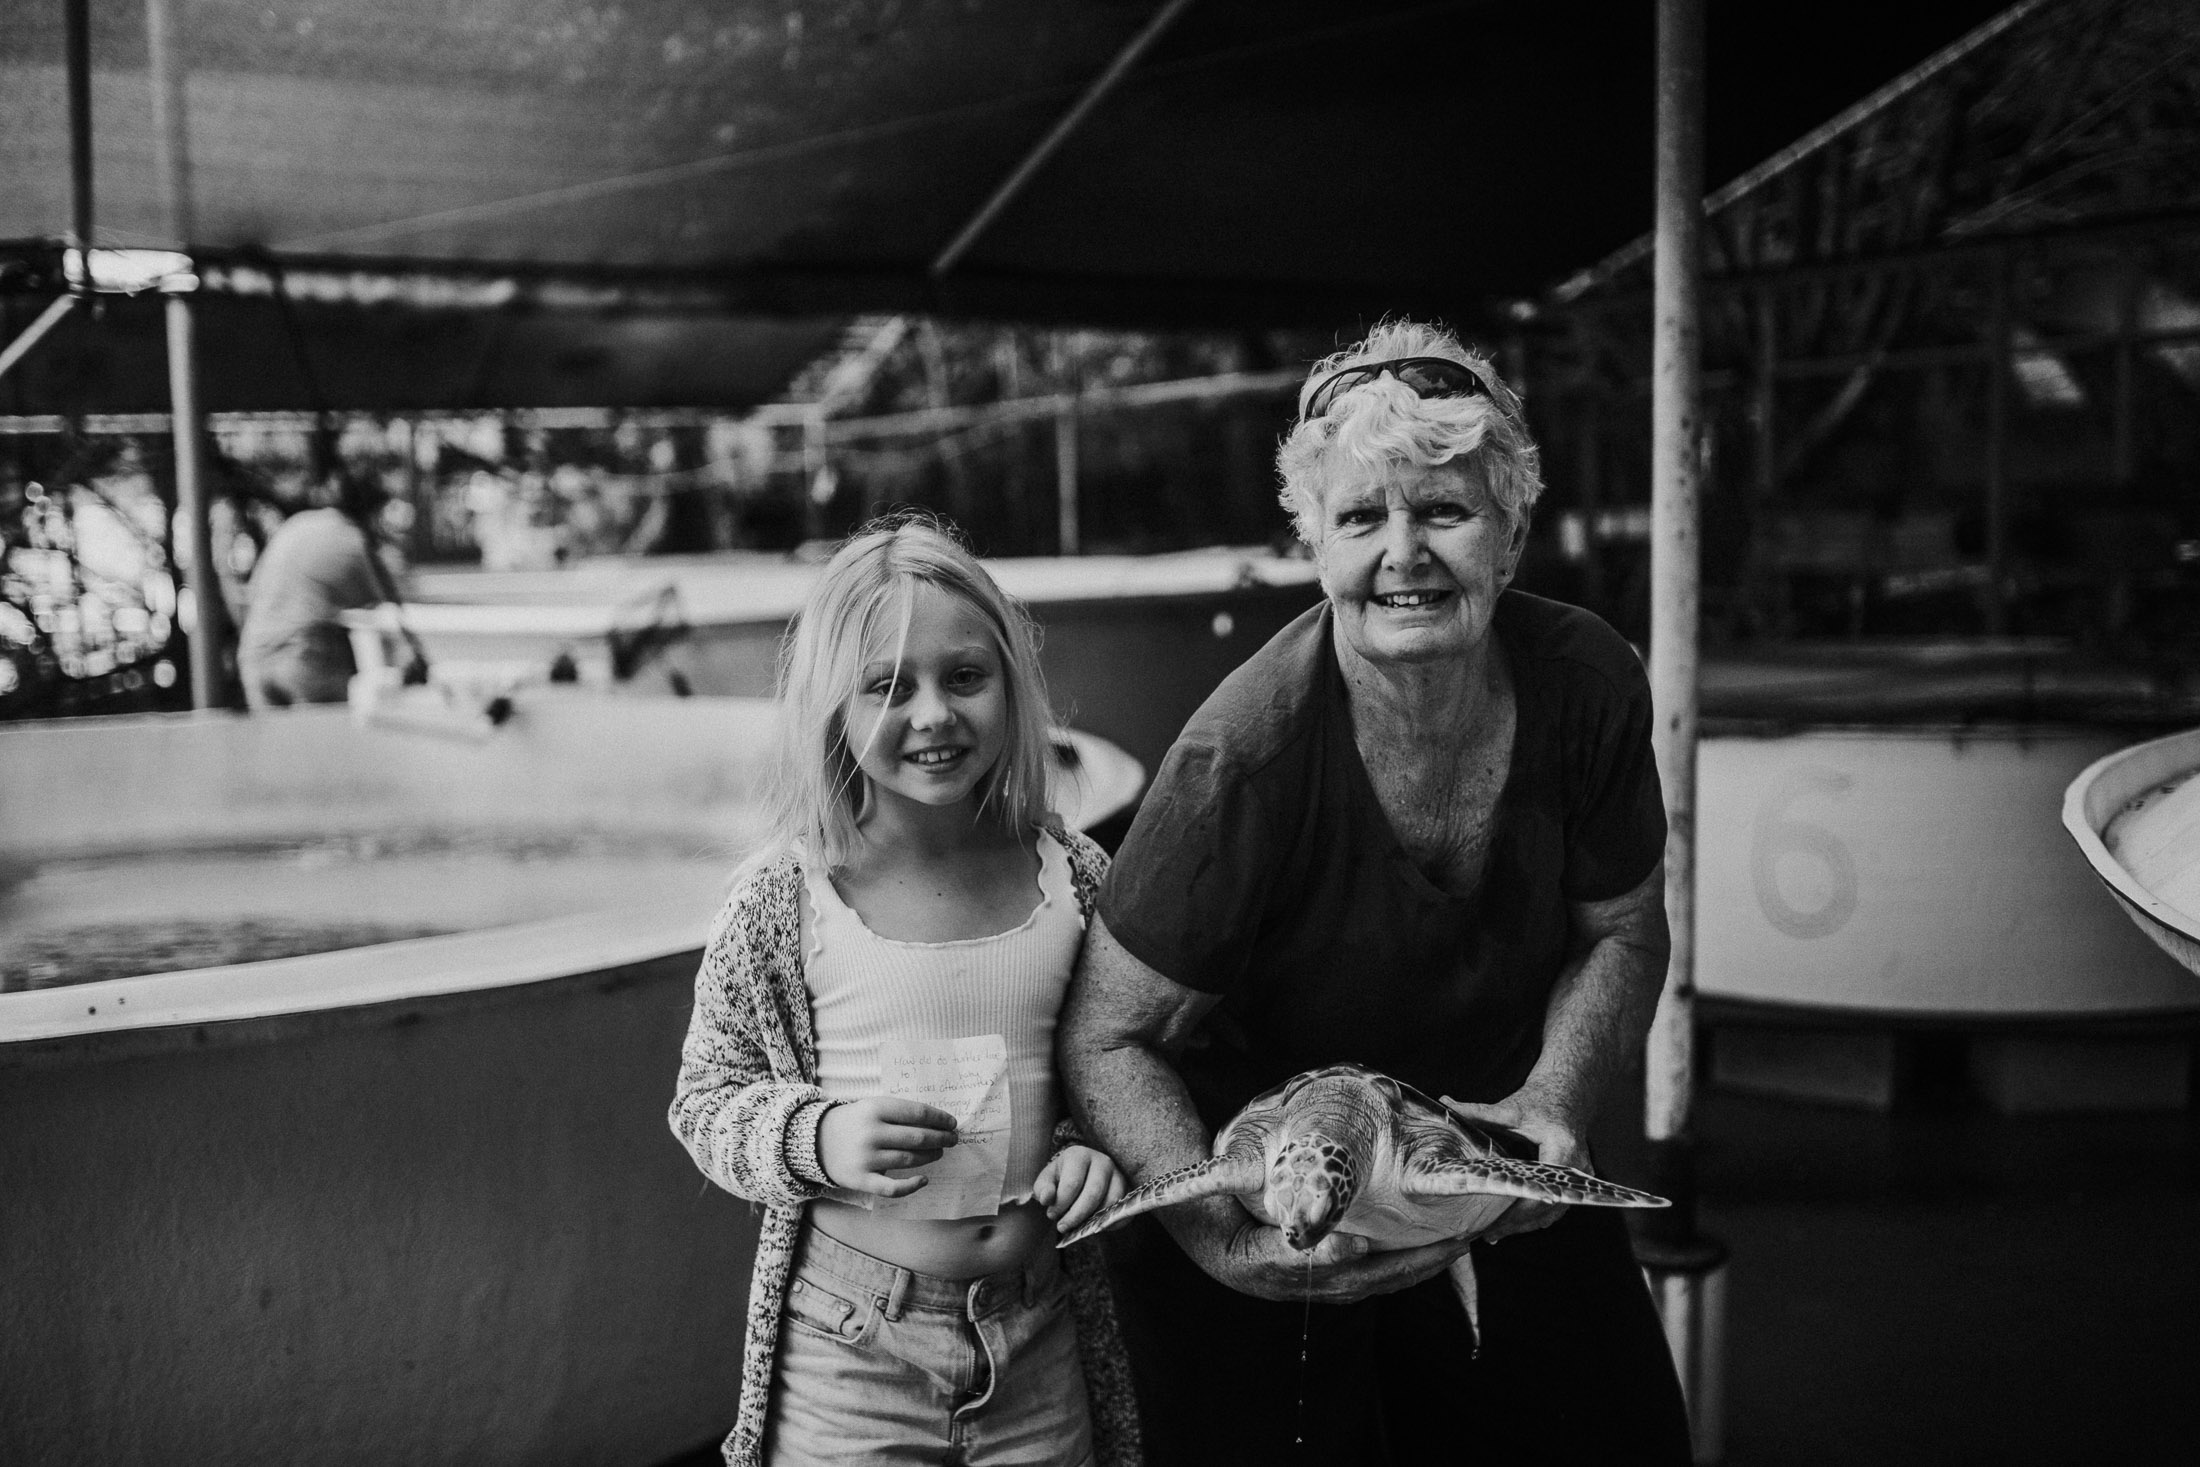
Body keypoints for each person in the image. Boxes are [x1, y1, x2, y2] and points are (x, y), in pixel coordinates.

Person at [1058, 320, 1694, 1465]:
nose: (1402, 551)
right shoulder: (1240, 761)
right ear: (1316, 546)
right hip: (1274, 1182)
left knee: (1615, 1435)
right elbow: (1108, 1036)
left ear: (1508, 535)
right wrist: (1218, 1239)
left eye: (1442, 511)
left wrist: (1555, 1103)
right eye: (1360, 518)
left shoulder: (1586, 682)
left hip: (1490, 1148)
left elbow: (1620, 929)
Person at [670, 514, 1141, 1467]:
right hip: (851, 1346)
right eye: (887, 686)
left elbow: (1120, 1061)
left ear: (1011, 682)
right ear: (830, 709)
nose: (932, 714)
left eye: (964, 677)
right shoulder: (785, 895)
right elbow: (705, 1101)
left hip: (1039, 1334)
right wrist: (819, 1136)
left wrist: (1095, 1150)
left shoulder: (1076, 876)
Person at [237, 474, 401, 708]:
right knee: (329, 739)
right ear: (370, 514)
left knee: (280, 744)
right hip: (303, 658)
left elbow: (254, 590)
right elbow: (382, 610)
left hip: (254, 657)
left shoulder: (298, 524)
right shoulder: (351, 541)